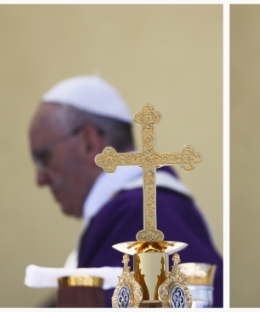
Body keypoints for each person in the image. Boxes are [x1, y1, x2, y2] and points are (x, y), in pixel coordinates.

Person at [27, 75, 223, 307]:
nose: (40, 179)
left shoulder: (139, 215)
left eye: (43, 158)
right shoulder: (125, 214)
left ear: (88, 142)